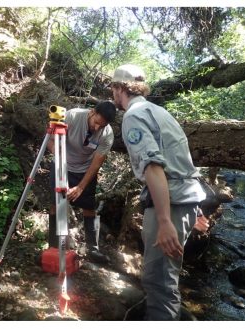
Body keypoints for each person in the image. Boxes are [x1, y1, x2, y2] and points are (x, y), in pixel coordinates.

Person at [110, 64, 206, 320]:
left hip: (170, 203)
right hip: (185, 199)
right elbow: (182, 160)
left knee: (159, 281)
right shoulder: (160, 112)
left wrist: (164, 222)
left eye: (113, 87)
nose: (112, 93)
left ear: (120, 88)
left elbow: (154, 167)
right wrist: (195, 209)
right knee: (166, 276)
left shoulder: (133, 116)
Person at [46, 101, 117, 264]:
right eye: (96, 122)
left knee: (89, 207)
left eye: (103, 125)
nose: (98, 128)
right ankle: (53, 245)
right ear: (92, 112)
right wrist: (57, 153)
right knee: (55, 203)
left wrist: (80, 187)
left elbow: (96, 163)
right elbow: (49, 139)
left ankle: (93, 248)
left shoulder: (107, 134)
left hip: (85, 169)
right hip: (61, 164)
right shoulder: (72, 116)